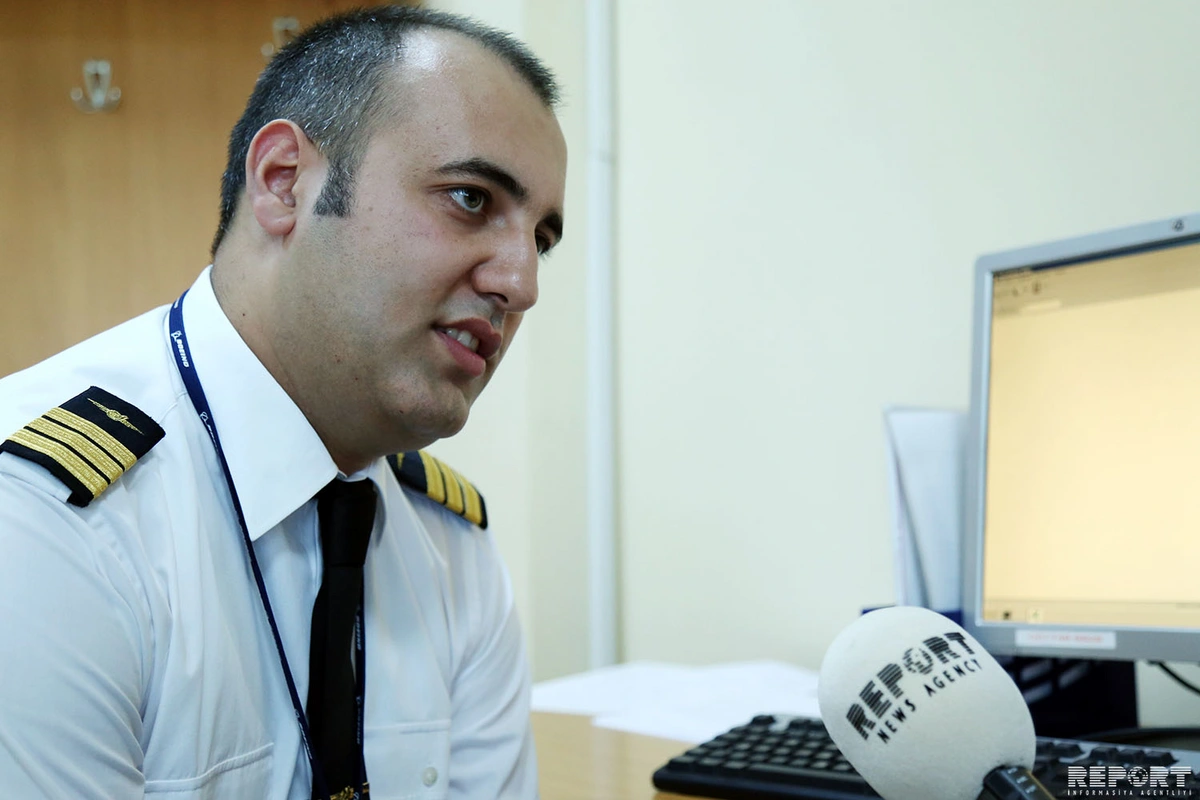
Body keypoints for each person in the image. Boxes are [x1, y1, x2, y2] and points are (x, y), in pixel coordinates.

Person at [0, 6, 566, 799]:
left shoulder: (449, 545)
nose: (521, 283)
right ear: (284, 182)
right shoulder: (44, 520)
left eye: (540, 239)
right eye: (470, 199)